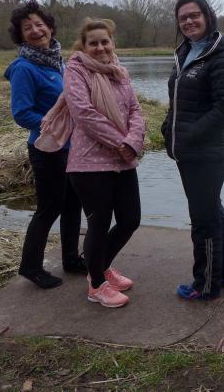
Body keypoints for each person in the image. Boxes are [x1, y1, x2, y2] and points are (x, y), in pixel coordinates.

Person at [38, 18, 144, 308]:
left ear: (112, 43)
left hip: (123, 159)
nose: (100, 47)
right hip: (89, 163)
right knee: (99, 223)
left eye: (104, 41)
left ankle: (101, 266)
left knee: (131, 219)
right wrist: (121, 143)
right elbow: (83, 113)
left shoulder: (119, 71)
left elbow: (135, 110)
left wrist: (133, 142)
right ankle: (96, 285)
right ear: (83, 46)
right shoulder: (76, 70)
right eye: (93, 43)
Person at [162, 0, 224, 301]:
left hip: (208, 153)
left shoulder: (222, 55)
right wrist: (167, 127)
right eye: (183, 18)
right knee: (212, 209)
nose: (189, 21)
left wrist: (187, 135)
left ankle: (206, 285)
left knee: (203, 219)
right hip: (189, 151)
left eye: (194, 15)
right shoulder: (186, 51)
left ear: (208, 16)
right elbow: (179, 100)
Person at [4, 0, 86, 289]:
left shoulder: (59, 62)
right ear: (21, 36)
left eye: (39, 24)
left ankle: (71, 259)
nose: (36, 30)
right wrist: (57, 127)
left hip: (72, 149)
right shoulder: (24, 68)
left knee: (73, 204)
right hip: (46, 150)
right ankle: (31, 267)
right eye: (27, 28)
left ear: (50, 27)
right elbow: (21, 113)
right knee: (49, 208)